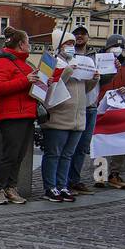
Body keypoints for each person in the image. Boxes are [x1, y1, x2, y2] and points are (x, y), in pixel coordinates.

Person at [40, 30, 98, 203]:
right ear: (59, 45)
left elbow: (84, 91)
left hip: (78, 118)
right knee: (54, 154)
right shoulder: (50, 62)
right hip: (58, 117)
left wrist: (93, 79)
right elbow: (48, 89)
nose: (71, 47)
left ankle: (62, 185)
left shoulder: (81, 62)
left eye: (73, 44)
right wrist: (66, 72)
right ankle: (50, 187)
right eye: (67, 44)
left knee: (67, 155)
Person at [0, 26, 38, 205]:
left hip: (26, 113)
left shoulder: (23, 64)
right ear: (22, 44)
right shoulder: (3, 62)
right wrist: (26, 80)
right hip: (11, 115)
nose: (30, 45)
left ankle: (11, 187)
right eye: (28, 42)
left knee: (18, 155)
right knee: (10, 154)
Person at [94, 34, 125, 190]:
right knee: (100, 141)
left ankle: (115, 174)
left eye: (120, 47)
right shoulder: (99, 60)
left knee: (120, 143)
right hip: (101, 107)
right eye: (114, 46)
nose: (118, 49)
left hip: (119, 108)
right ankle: (100, 174)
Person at [67, 24, 98, 194]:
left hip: (90, 105)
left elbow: (104, 80)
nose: (80, 36)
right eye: (76, 34)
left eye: (83, 34)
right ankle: (64, 180)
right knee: (69, 146)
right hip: (72, 105)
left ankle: (75, 179)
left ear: (88, 37)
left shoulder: (96, 57)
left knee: (82, 147)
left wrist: (113, 70)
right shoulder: (66, 56)